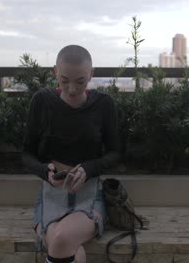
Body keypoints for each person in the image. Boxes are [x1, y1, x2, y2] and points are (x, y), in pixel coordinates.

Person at [22, 45, 120, 263]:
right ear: (54, 72)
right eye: (64, 80)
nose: (72, 89)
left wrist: (88, 168)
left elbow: (115, 153)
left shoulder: (104, 104)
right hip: (51, 193)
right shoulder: (42, 101)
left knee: (61, 238)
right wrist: (44, 171)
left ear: (91, 75)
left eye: (80, 81)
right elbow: (26, 154)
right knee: (70, 250)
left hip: (88, 193)